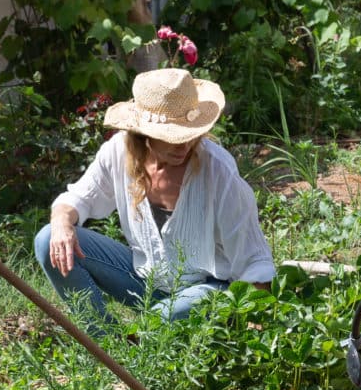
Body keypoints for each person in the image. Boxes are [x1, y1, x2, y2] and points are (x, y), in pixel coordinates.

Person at [37, 67, 274, 323]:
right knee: (47, 238)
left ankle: (146, 339)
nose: (183, 145)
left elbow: (253, 259)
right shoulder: (118, 153)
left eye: (190, 133)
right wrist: (61, 222)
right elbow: (77, 199)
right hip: (144, 280)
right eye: (171, 137)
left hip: (208, 288)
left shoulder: (218, 170)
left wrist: (254, 323)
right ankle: (104, 344)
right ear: (144, 134)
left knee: (160, 319)